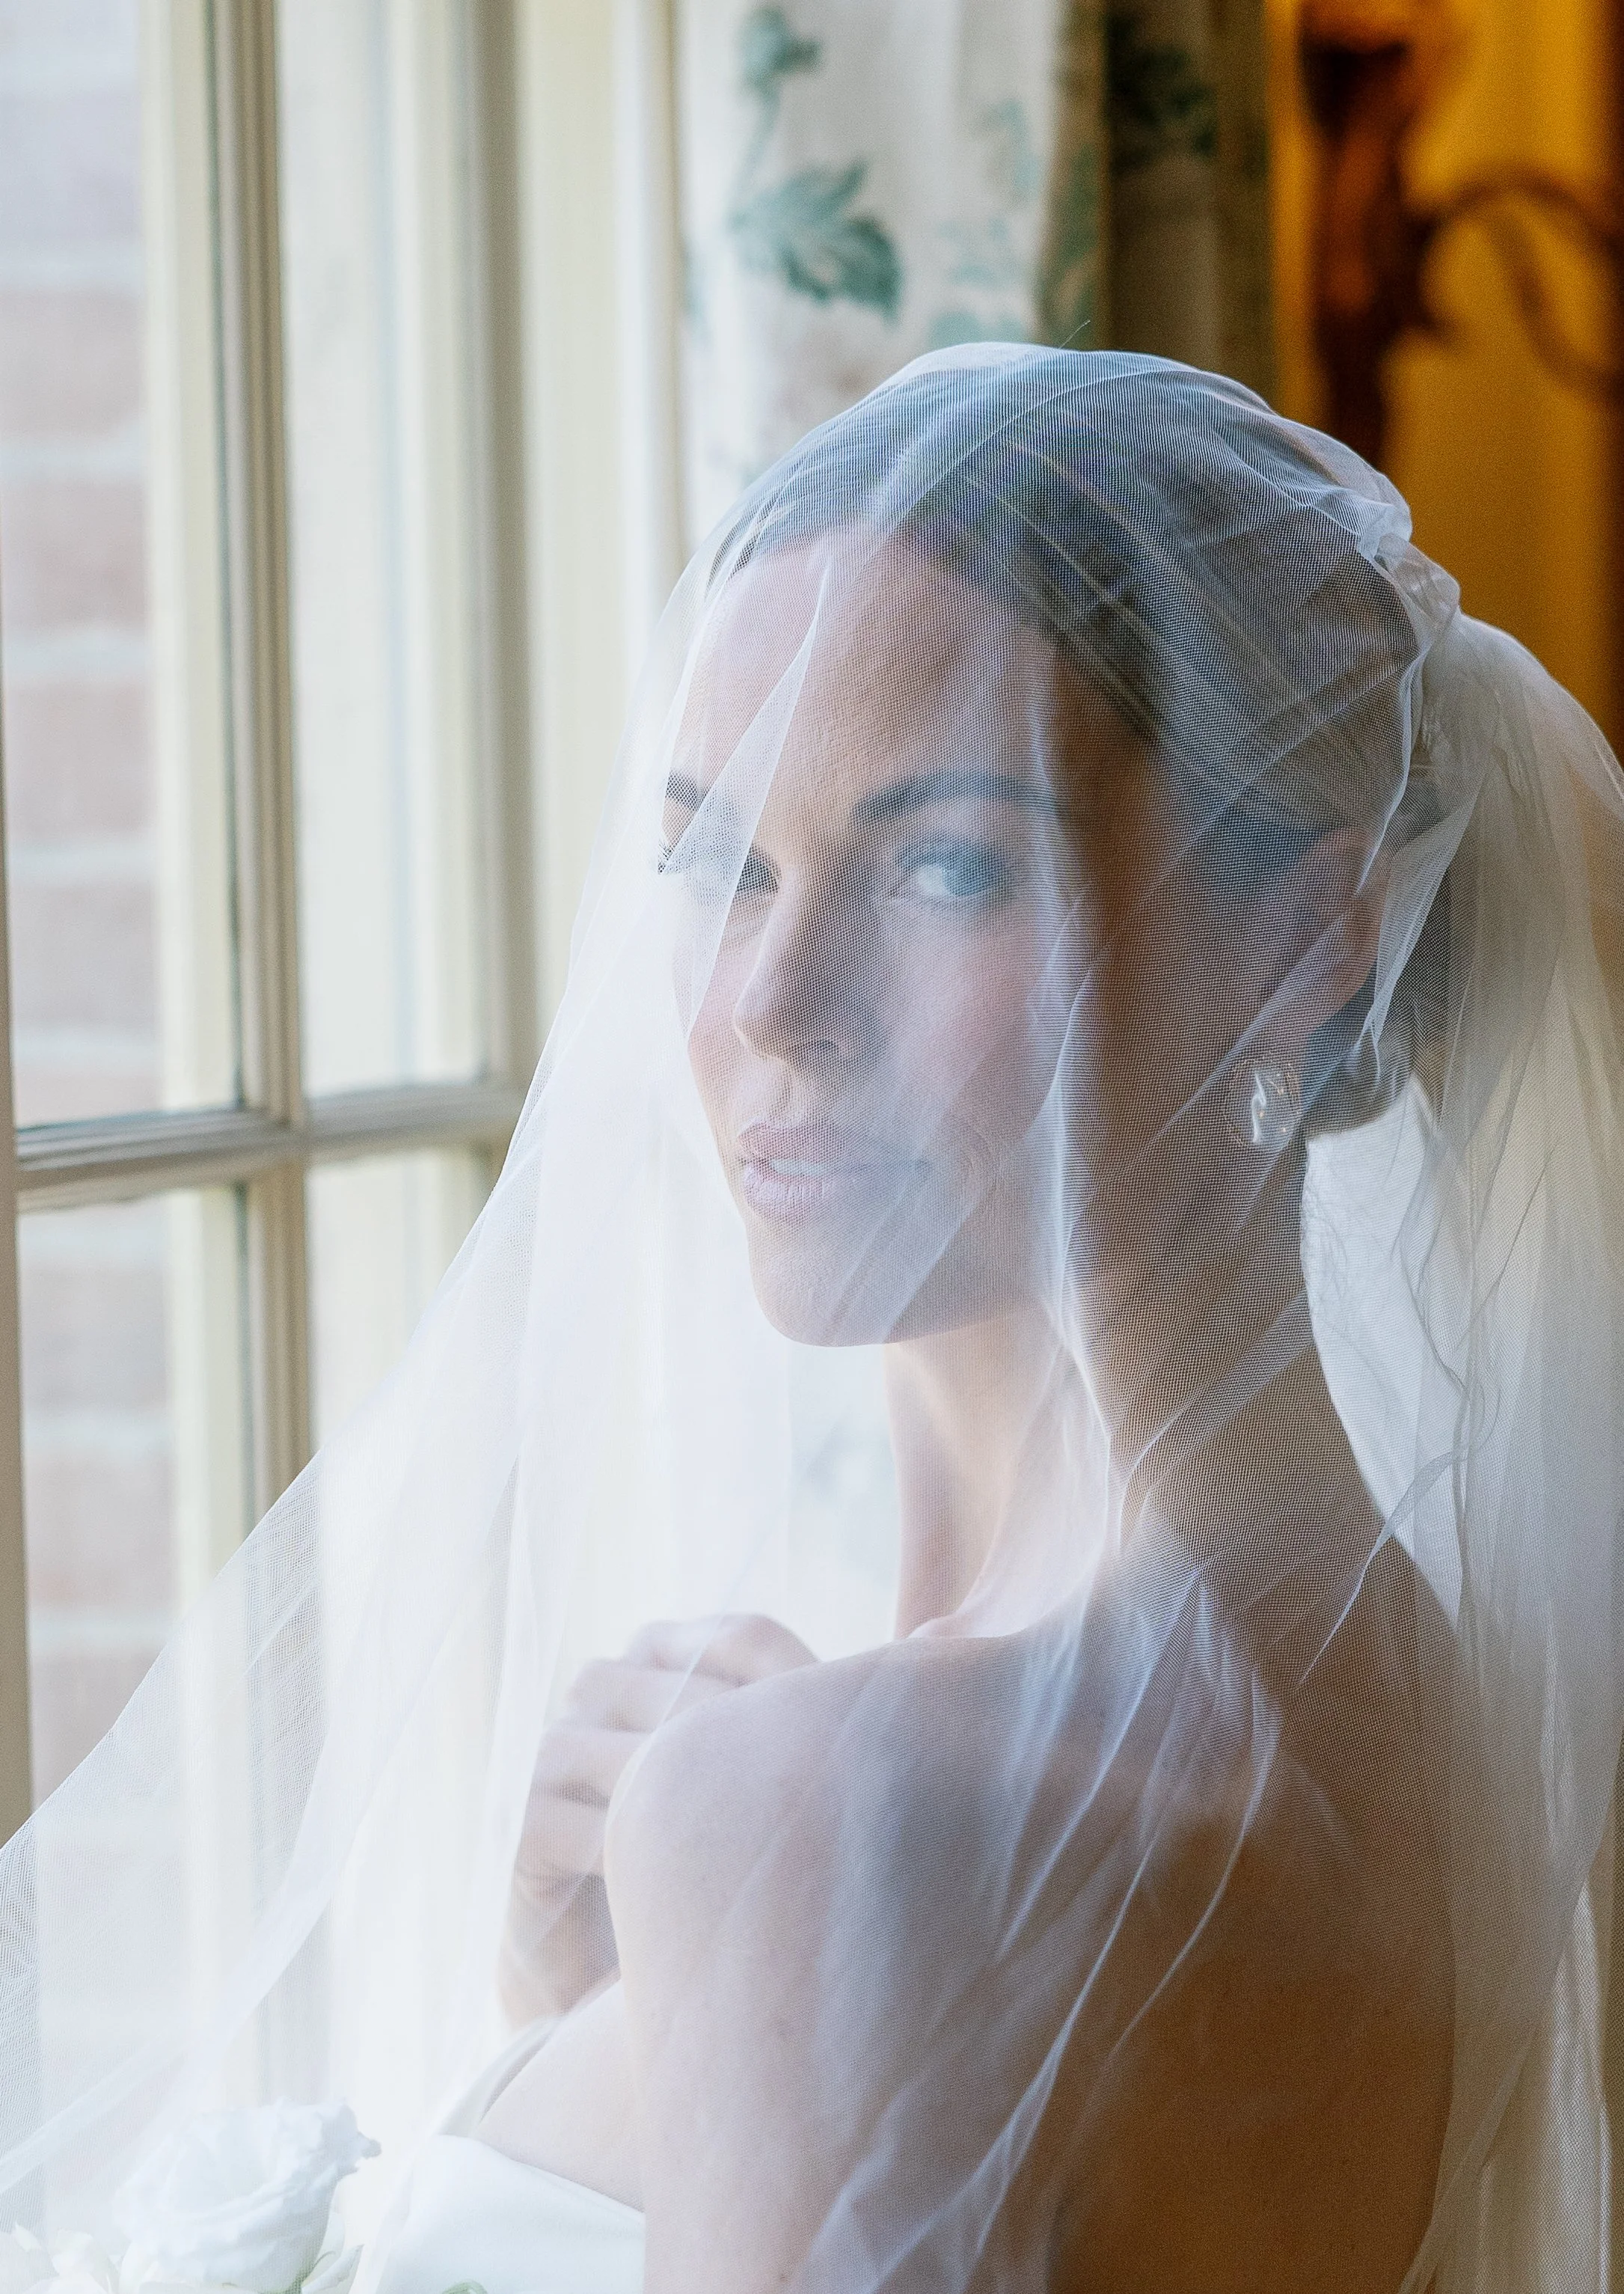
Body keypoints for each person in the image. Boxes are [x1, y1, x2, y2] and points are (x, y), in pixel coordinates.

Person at [4, 350, 1623, 2294]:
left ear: (1304, 938)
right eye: (721, 856)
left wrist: (741, 1899)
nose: (771, 1000)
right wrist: (599, 2007)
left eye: (940, 860)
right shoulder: (1424, 1718)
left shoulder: (856, 1822)